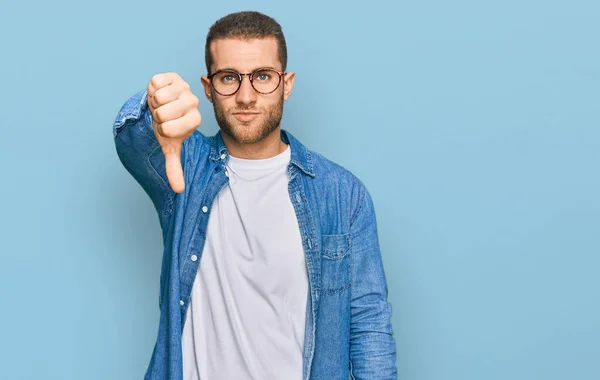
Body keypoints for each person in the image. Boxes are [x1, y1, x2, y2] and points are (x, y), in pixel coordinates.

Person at [113, 10, 397, 380]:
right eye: (229, 78)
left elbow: (369, 324)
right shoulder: (186, 168)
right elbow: (133, 140)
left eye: (262, 76)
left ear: (287, 83)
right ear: (208, 86)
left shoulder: (341, 194)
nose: (246, 96)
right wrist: (154, 109)